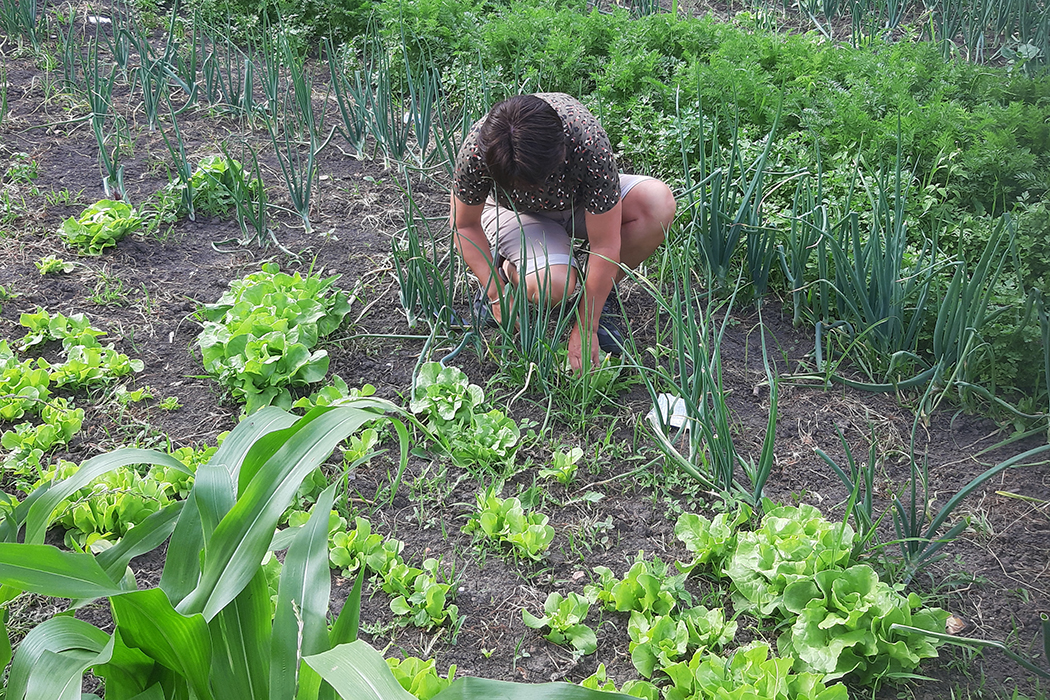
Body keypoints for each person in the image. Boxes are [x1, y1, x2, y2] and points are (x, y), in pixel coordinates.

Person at [449, 92, 675, 373]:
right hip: (516, 213)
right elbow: (464, 224)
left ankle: (597, 300)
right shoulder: (481, 147)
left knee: (657, 204)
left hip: (581, 204)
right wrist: (496, 292)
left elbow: (605, 244)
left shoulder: (586, 140)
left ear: (562, 153)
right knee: (553, 286)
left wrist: (586, 326)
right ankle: (510, 270)